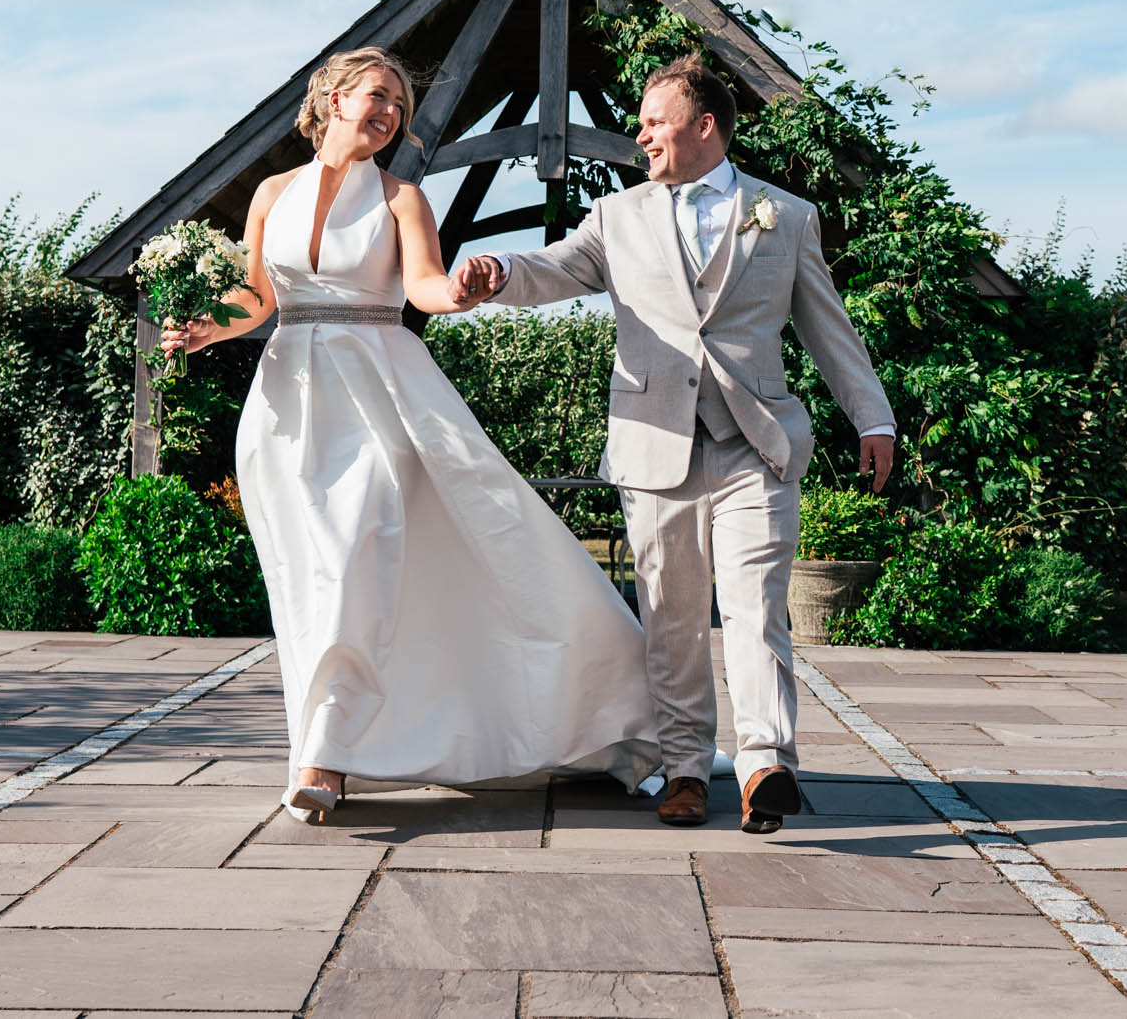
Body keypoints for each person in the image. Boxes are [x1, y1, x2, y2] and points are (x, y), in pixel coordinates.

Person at [162, 47, 658, 822]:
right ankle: (328, 739)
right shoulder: (271, 192)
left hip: (378, 396)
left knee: (355, 554)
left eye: (398, 99)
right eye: (378, 94)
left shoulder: (402, 201)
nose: (391, 111)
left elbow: (424, 287)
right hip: (289, 407)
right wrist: (204, 329)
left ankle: (323, 758)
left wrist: (462, 289)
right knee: (308, 573)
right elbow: (257, 295)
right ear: (330, 98)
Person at [452, 53, 896, 835]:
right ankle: (687, 766)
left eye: (656, 120)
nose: (642, 133)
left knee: (757, 610)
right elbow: (555, 268)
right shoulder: (618, 218)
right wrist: (498, 273)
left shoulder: (785, 216)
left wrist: (874, 416)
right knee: (673, 616)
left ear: (705, 125)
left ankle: (766, 764)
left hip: (756, 445)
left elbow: (828, 327)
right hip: (654, 444)